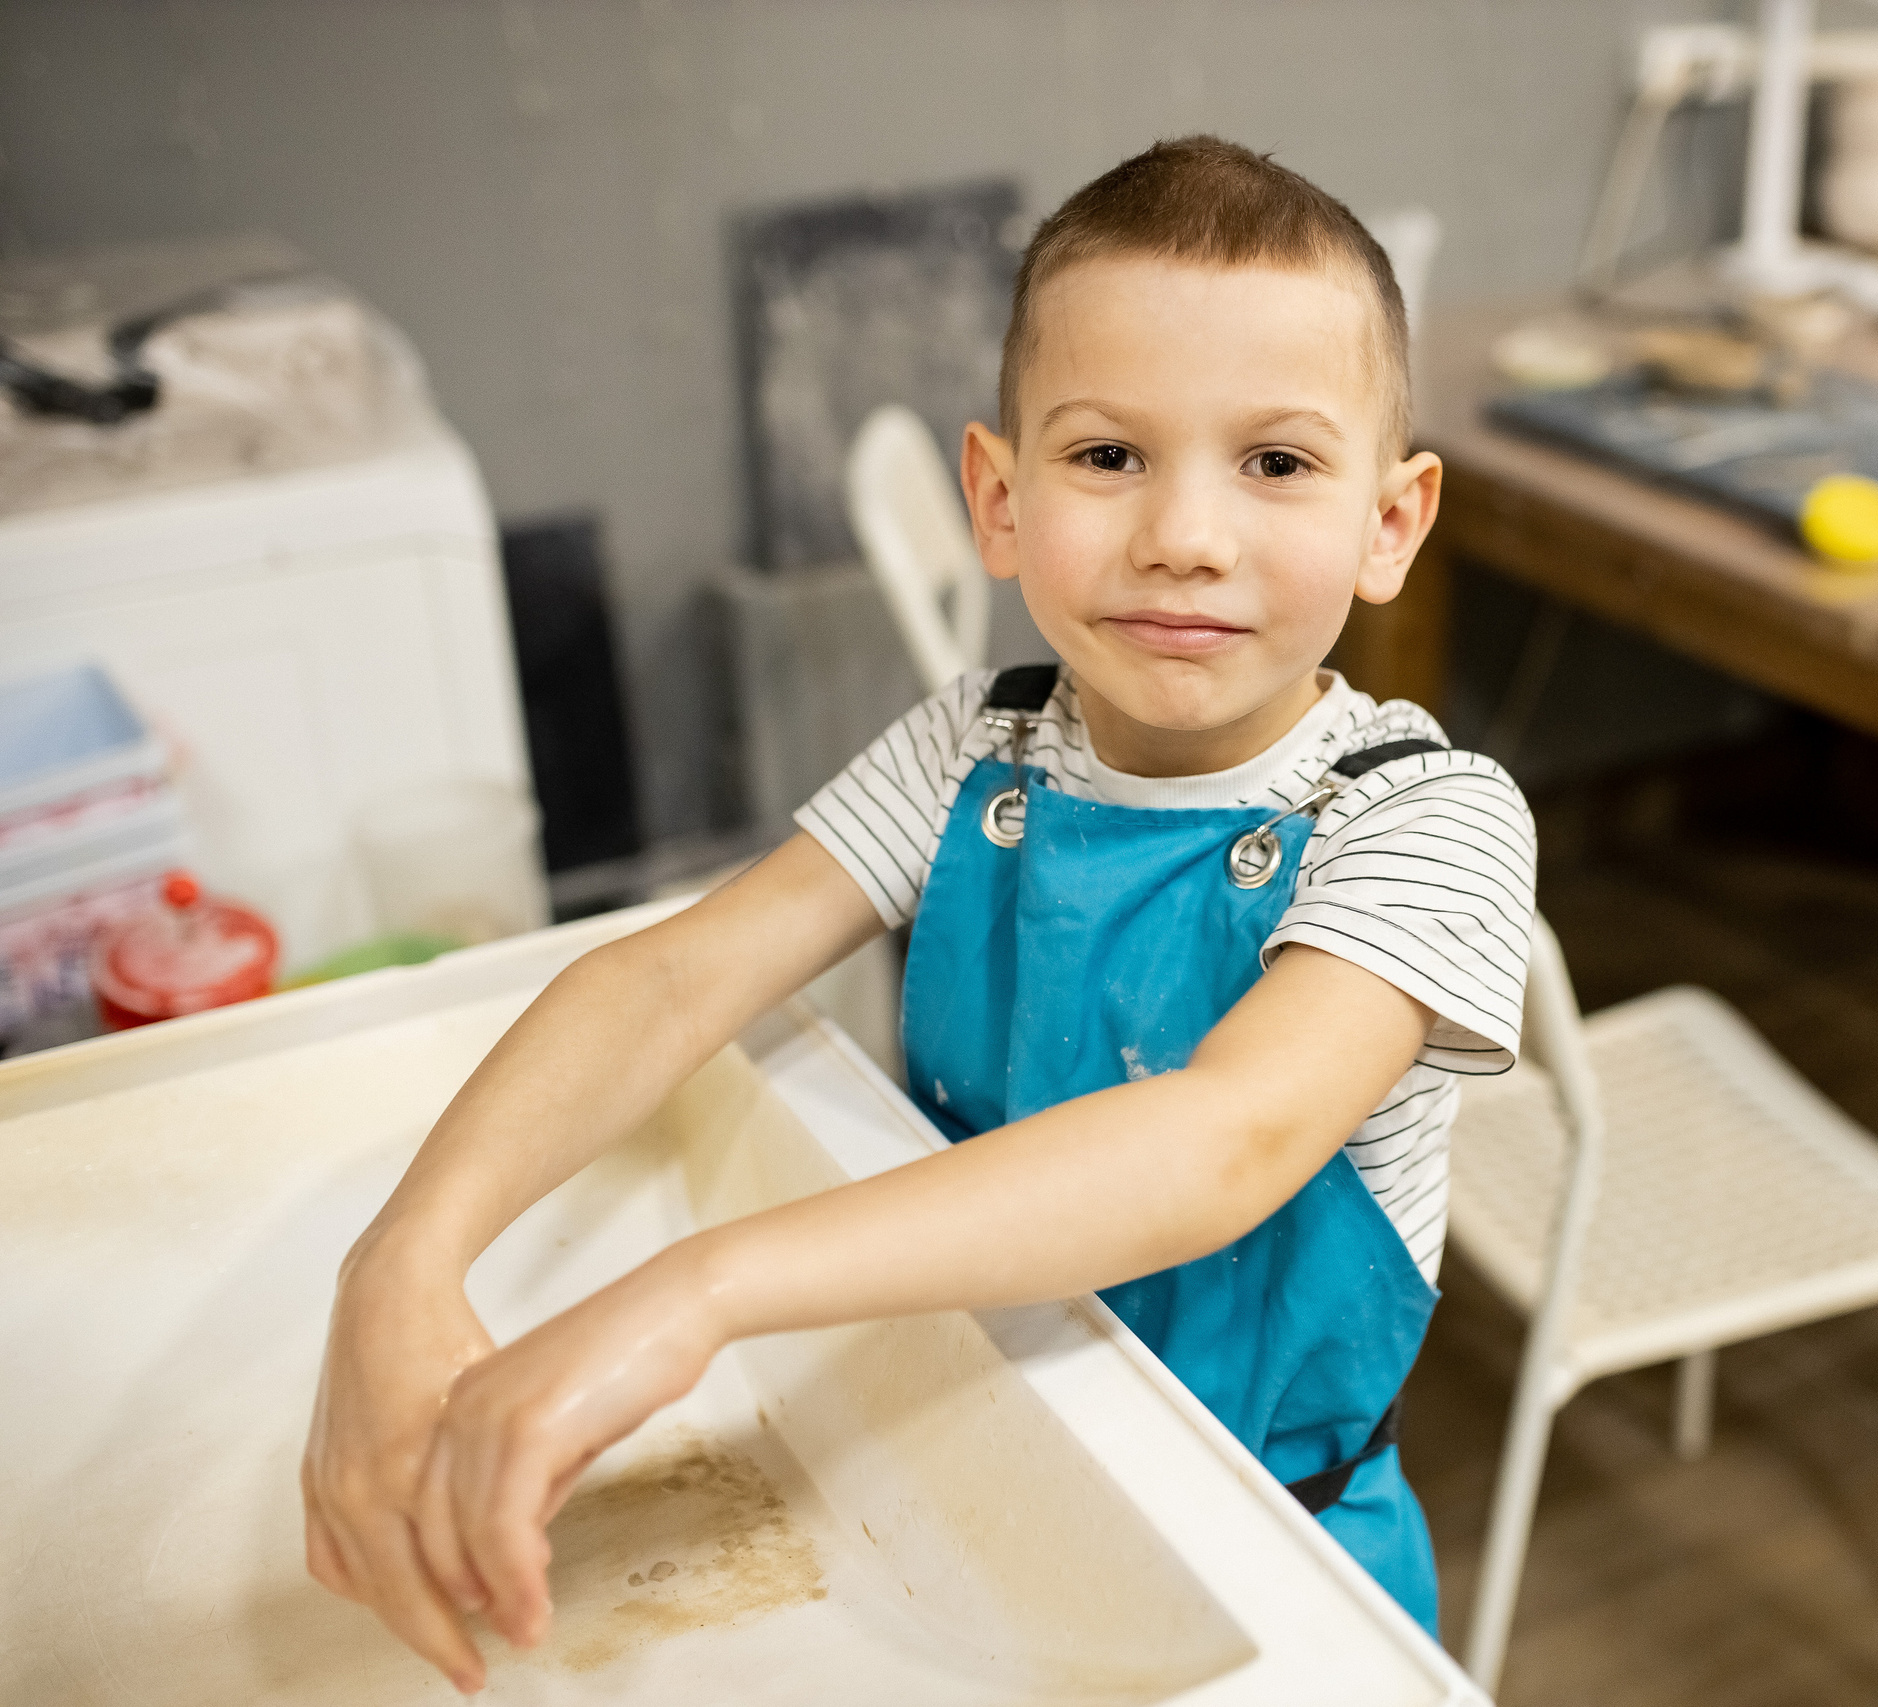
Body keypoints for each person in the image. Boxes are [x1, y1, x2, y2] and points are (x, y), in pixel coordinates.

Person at [302, 134, 1536, 1694]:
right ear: (999, 500)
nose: (1185, 535)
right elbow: (673, 979)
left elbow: (1218, 1142)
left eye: (1276, 463)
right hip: (977, 1468)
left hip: (1267, 1574)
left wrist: (701, 1290)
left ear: (1391, 522)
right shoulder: (979, 746)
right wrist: (401, 1264)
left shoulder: (1429, 821)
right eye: (1108, 457)